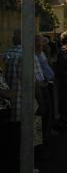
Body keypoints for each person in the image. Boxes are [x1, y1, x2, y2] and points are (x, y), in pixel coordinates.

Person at [4, 30, 45, 172]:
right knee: (29, 140)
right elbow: (37, 82)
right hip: (26, 106)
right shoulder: (29, 56)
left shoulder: (5, 55)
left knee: (11, 142)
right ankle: (28, 166)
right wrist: (41, 103)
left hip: (8, 107)